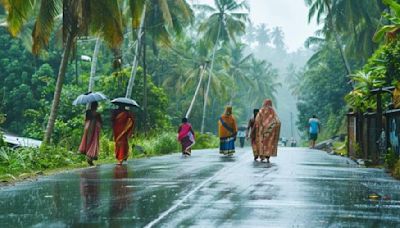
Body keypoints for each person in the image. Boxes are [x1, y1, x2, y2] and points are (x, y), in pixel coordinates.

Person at [79, 101, 102, 166]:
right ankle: (90, 157)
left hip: (87, 128)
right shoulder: (97, 114)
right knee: (93, 142)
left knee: (87, 141)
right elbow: (100, 122)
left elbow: (86, 120)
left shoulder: (88, 112)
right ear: (96, 106)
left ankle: (88, 157)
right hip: (94, 129)